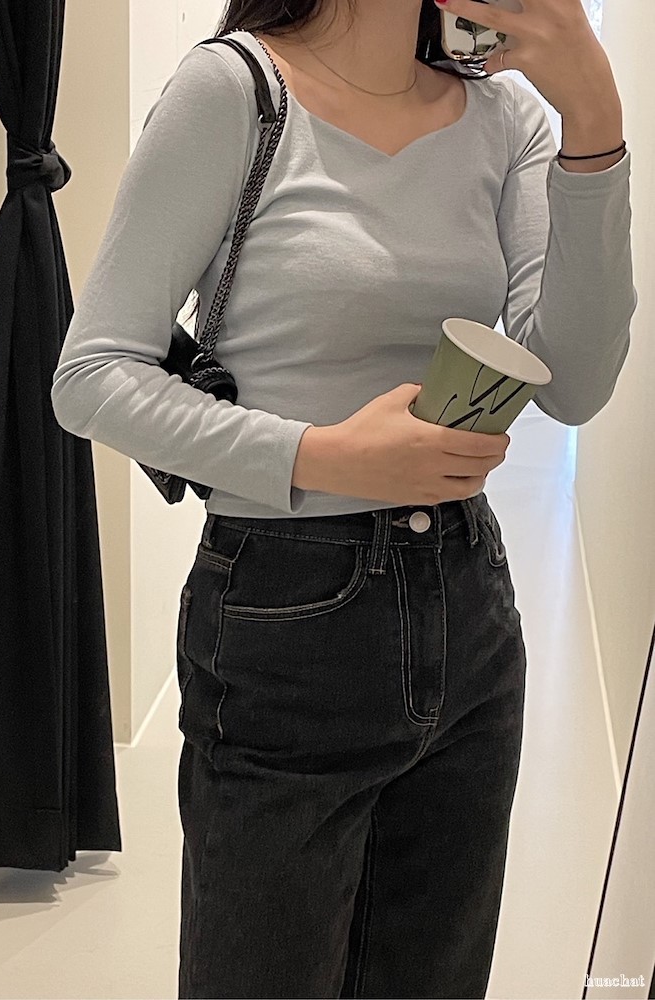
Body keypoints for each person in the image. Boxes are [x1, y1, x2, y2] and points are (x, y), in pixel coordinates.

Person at [51, 0, 636, 996]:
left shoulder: (506, 120)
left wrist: (594, 115)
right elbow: (93, 375)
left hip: (468, 605)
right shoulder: (237, 90)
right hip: (282, 615)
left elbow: (573, 382)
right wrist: (323, 456)